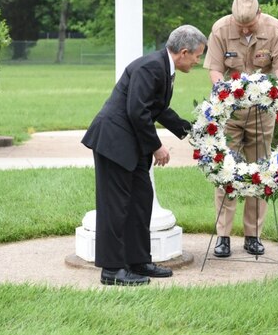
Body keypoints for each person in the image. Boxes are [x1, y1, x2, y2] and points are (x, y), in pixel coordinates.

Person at [82, 25, 207, 285]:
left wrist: (195, 131)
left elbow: (158, 109)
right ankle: (112, 270)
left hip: (133, 143)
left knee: (141, 201)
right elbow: (136, 111)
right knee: (115, 207)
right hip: (114, 142)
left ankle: (138, 261)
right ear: (184, 52)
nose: (198, 61)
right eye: (197, 55)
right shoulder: (150, 67)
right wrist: (156, 145)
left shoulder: (163, 67)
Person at [204, 0, 278, 258]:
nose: (244, 31)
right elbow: (216, 69)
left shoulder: (275, 29)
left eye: (249, 25)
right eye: (239, 26)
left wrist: (269, 92)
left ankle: (253, 235)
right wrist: (227, 95)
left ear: (260, 14)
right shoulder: (220, 28)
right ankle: (224, 236)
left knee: (259, 170)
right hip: (230, 112)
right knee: (226, 170)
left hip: (261, 111)